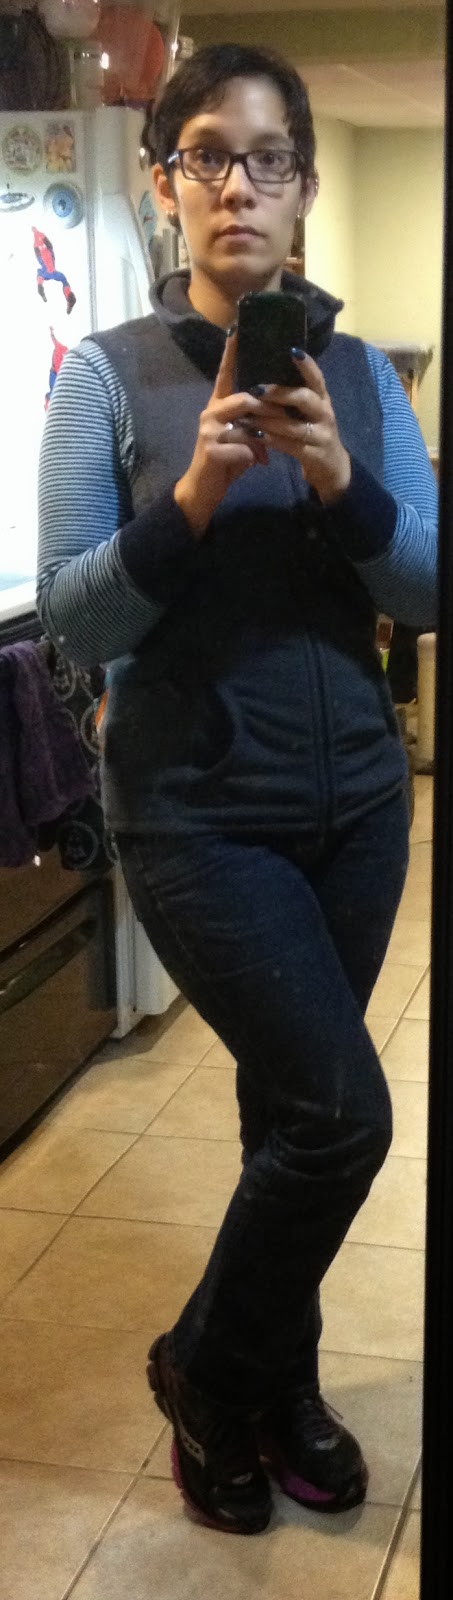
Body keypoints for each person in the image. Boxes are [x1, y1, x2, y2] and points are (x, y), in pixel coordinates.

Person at [37, 42, 437, 1538]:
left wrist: (344, 483)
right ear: (164, 183)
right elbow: (74, 621)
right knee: (342, 1115)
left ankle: (279, 1390)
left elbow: (429, 588)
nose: (239, 185)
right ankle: (206, 1372)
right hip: (196, 810)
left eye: (270, 158)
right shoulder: (106, 375)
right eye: (208, 153)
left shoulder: (359, 377)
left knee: (289, 1116)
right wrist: (197, 494)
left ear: (305, 188)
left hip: (357, 810)